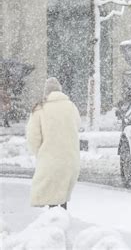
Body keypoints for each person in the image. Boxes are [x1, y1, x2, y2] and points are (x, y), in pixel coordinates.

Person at [26, 77, 81, 209]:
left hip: (50, 161)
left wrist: (39, 153)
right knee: (62, 196)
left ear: (46, 93)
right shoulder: (71, 107)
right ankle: (62, 222)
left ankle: (54, 225)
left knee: (51, 196)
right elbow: (77, 126)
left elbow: (33, 137)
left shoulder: (40, 109)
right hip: (70, 159)